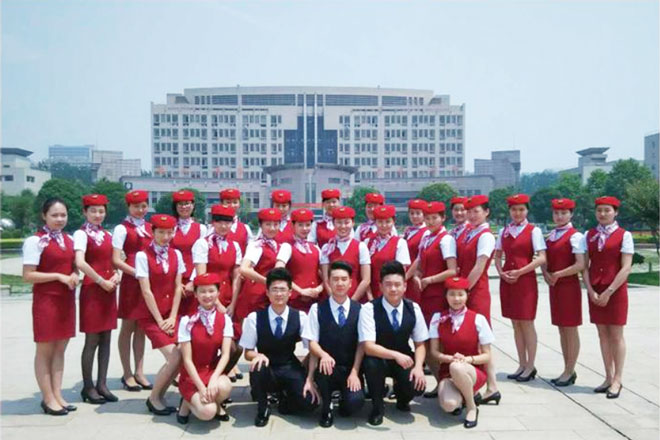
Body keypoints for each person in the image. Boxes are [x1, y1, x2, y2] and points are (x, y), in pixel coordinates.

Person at [239, 268, 319, 427]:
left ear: (290, 292)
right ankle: (263, 408)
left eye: (283, 290)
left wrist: (309, 378)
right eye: (274, 289)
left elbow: (312, 348)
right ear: (267, 292)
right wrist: (257, 355)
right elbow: (248, 352)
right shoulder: (254, 318)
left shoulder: (300, 317)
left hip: (289, 366)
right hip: (266, 368)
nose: (279, 294)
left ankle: (284, 402)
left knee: (310, 403)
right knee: (258, 366)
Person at [23, 198, 79, 415]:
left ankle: (57, 394)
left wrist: (74, 274)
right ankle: (47, 398)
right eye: (54, 215)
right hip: (47, 300)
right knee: (45, 349)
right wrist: (58, 276)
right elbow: (28, 275)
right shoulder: (35, 241)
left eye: (63, 215)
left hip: (66, 300)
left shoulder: (69, 240)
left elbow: (74, 266)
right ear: (44, 216)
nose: (59, 219)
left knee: (60, 349)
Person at [359, 261, 428, 426]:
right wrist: (395, 355)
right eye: (388, 284)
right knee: (371, 364)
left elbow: (420, 344)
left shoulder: (413, 308)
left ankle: (402, 397)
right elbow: (368, 346)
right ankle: (377, 407)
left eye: (397, 284)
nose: (393, 289)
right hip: (378, 357)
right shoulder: (369, 309)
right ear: (381, 286)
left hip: (404, 358)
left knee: (416, 386)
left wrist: (419, 367)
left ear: (405, 286)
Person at [582, 196, 633, 399]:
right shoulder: (589, 235)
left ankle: (618, 379)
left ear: (615, 212)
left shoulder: (624, 235)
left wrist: (609, 291)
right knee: (602, 334)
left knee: (616, 335)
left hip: (615, 290)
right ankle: (608, 376)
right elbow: (585, 266)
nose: (602, 214)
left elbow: (626, 267)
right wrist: (590, 290)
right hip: (595, 290)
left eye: (607, 210)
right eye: (599, 210)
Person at [303, 261, 365, 427]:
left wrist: (355, 372)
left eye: (344, 279)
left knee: (355, 403)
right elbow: (312, 342)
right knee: (325, 367)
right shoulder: (317, 309)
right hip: (326, 368)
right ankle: (326, 406)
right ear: (328, 282)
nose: (340, 283)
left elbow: (362, 344)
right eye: (335, 279)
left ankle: (344, 400)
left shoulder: (361, 309)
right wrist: (322, 356)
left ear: (350, 282)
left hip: (349, 368)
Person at [134, 214, 185, 415]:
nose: (165, 237)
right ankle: (154, 398)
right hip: (151, 316)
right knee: (174, 356)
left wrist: (172, 317)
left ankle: (161, 395)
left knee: (181, 355)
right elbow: (146, 291)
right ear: (152, 232)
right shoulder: (142, 256)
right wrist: (160, 321)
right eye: (161, 232)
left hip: (172, 314)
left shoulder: (176, 254)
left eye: (169, 232)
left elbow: (178, 287)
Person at [429, 277, 495, 429]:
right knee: (449, 405)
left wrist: (467, 360)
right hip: (448, 373)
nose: (456, 299)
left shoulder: (478, 319)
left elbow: (487, 355)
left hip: (472, 371)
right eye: (452, 294)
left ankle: (471, 406)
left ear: (467, 296)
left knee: (457, 367)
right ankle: (465, 395)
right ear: (446, 296)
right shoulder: (438, 318)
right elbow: (434, 352)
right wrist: (450, 358)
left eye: (460, 294)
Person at [494, 194, 546, 382]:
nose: (517, 213)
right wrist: (501, 272)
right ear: (509, 211)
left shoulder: (534, 231)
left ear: (527, 211)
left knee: (527, 322)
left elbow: (542, 258)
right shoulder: (504, 231)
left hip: (525, 281)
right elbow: (497, 255)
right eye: (514, 209)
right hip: (508, 280)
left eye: (521, 209)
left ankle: (530, 365)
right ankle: (521, 363)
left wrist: (521, 271)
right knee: (515, 323)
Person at [74, 194, 120, 404]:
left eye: (101, 211)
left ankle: (102, 384)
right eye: (93, 211)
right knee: (92, 340)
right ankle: (88, 386)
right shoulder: (81, 234)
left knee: (106, 339)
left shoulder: (107, 234)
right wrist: (101, 281)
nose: (97, 215)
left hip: (109, 290)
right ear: (85, 212)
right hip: (93, 290)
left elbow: (114, 260)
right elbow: (80, 262)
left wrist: (117, 274)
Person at [409, 201, 457, 398]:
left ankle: (448, 383)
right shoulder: (427, 237)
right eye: (427, 218)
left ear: (443, 218)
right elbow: (420, 263)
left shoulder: (446, 239)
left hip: (438, 296)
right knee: (425, 341)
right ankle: (440, 382)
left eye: (434, 218)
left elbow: (452, 270)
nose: (430, 221)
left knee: (438, 342)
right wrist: (414, 276)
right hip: (425, 295)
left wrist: (430, 279)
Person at [456, 194, 500, 405]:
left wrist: (463, 290)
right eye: (469, 211)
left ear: (486, 212)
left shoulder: (485, 236)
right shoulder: (468, 232)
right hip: (465, 290)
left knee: (483, 340)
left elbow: (480, 265)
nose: (472, 215)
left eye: (476, 211)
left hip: (476, 291)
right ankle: (476, 383)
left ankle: (492, 386)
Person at [192, 204, 244, 381]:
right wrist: (217, 304)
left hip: (229, 300)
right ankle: (206, 378)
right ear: (213, 223)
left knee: (236, 347)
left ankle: (216, 377)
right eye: (220, 222)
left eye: (228, 222)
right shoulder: (202, 244)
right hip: (208, 300)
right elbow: (201, 276)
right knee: (210, 344)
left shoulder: (234, 245)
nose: (224, 226)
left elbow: (236, 276)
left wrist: (233, 304)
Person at [176, 273, 234, 425]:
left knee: (225, 386)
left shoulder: (224, 319)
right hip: (192, 375)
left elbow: (225, 354)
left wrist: (214, 378)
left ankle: (214, 402)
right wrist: (201, 388)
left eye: (211, 291)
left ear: (218, 293)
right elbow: (187, 360)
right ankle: (186, 404)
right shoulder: (187, 321)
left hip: (211, 370)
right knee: (207, 412)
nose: (207, 295)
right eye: (202, 291)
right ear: (195, 294)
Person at [541, 198, 585, 387]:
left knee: (570, 328)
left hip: (569, 286)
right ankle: (567, 368)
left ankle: (570, 369)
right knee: (561, 328)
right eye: (556, 213)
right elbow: (544, 259)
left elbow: (580, 264)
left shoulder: (575, 236)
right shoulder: (551, 236)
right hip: (555, 286)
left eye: (563, 213)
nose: (559, 217)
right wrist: (545, 273)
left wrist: (558, 274)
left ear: (571, 214)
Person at [112, 189, 153, 391]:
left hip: (147, 282)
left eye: (144, 206)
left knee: (141, 328)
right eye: (136, 206)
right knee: (128, 327)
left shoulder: (150, 227)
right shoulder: (122, 229)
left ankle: (139, 371)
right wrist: (137, 272)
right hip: (131, 281)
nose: (140, 210)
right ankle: (127, 372)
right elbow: (116, 259)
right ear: (128, 207)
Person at [235, 208, 282, 336]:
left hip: (270, 294)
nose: (272, 228)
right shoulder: (256, 245)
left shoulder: (278, 245)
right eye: (268, 224)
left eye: (276, 224)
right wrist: (267, 281)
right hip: (255, 296)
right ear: (261, 225)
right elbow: (244, 268)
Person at [276, 208, 324, 313]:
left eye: (308, 225)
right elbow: (278, 271)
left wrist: (318, 289)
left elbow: (326, 274)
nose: (304, 228)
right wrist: (300, 290)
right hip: (294, 301)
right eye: (300, 225)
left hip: (315, 302)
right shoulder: (287, 246)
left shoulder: (315, 248)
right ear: (293, 226)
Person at [320, 206, 371, 303]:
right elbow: (326, 279)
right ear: (333, 223)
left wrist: (351, 303)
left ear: (353, 223)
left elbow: (366, 279)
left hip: (356, 300)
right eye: (339, 222)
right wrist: (336, 301)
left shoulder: (361, 247)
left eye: (347, 222)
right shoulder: (327, 248)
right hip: (333, 301)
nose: (343, 226)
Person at [170, 190, 207, 316]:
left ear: (193, 205)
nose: (184, 207)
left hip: (194, 276)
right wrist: (176, 283)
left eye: (187, 203)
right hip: (173, 278)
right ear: (175, 207)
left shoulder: (201, 228)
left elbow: (203, 257)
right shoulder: (170, 228)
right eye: (180, 204)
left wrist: (194, 281)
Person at [366, 205, 411, 299]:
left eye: (387, 222)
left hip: (392, 293)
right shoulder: (367, 242)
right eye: (380, 222)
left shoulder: (400, 243)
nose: (384, 225)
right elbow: (364, 274)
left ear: (393, 222)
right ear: (375, 222)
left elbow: (401, 272)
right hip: (370, 293)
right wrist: (370, 297)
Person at [403, 199, 428, 303]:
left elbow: (419, 258)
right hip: (405, 273)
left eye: (418, 213)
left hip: (415, 275)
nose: (414, 216)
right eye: (412, 213)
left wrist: (406, 276)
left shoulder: (426, 232)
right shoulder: (408, 231)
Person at [219, 188, 254, 254]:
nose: (232, 205)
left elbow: (251, 251)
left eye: (235, 202)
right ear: (221, 204)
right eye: (228, 202)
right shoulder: (214, 228)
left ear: (239, 204)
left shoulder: (245, 228)